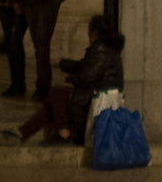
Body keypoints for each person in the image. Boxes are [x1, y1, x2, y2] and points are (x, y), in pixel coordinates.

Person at [9, 13, 123, 147]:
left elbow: (86, 76)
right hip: (96, 96)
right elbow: (85, 66)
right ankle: (23, 133)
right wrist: (64, 64)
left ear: (94, 32)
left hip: (95, 99)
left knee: (56, 93)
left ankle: (63, 132)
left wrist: (71, 79)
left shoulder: (100, 50)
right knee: (52, 104)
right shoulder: (108, 49)